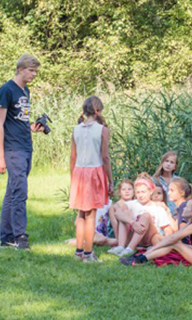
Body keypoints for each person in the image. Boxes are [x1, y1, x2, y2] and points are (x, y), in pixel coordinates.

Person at [0, 54, 44, 249]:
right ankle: (19, 237)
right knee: (20, 192)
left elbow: (18, 120)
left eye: (35, 71)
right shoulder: (6, 90)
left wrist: (33, 127)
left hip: (26, 145)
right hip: (13, 148)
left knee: (12, 192)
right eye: (31, 70)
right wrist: (0, 156)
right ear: (20, 69)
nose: (33, 74)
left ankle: (6, 237)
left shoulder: (26, 91)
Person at [70, 96, 114, 262]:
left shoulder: (76, 129)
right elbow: (105, 157)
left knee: (81, 213)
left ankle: (79, 251)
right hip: (94, 172)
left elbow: (72, 157)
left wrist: (72, 178)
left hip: (79, 173)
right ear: (99, 110)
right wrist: (110, 180)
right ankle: (88, 253)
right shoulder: (102, 130)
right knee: (91, 215)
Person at [120, 199, 192, 266]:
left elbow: (173, 239)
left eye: (187, 207)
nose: (183, 208)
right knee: (170, 242)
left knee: (174, 245)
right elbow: (175, 237)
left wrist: (155, 248)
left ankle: (140, 259)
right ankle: (142, 257)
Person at [108, 173, 172, 257]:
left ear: (150, 191)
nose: (140, 195)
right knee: (125, 213)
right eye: (138, 192)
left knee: (146, 216)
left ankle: (130, 249)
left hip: (149, 238)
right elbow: (118, 213)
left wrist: (165, 242)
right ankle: (121, 246)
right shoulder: (132, 204)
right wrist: (133, 223)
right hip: (133, 236)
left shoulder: (158, 208)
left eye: (143, 192)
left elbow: (167, 230)